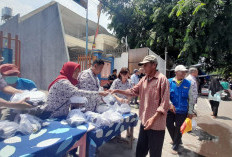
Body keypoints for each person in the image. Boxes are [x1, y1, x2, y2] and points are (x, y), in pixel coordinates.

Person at [111, 55, 170, 157]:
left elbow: (164, 104)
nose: (143, 67)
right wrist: (116, 90)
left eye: (146, 65)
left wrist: (153, 119)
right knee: (140, 152)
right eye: (143, 65)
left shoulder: (162, 80)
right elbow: (132, 91)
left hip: (156, 126)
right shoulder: (144, 79)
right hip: (144, 122)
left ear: (154, 65)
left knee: (155, 154)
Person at [42, 62, 107, 119]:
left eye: (78, 72)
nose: (77, 74)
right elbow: (78, 92)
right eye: (75, 71)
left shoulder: (66, 80)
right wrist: (99, 93)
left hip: (59, 114)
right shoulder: (63, 82)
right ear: (69, 70)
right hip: (53, 115)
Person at [167, 65, 194, 155]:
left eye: (185, 72)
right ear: (176, 72)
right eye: (182, 71)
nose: (184, 73)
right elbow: (165, 96)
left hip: (182, 111)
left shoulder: (188, 83)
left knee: (179, 128)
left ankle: (175, 145)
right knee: (169, 125)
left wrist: (190, 112)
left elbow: (191, 99)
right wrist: (170, 104)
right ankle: (176, 139)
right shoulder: (169, 82)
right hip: (170, 110)